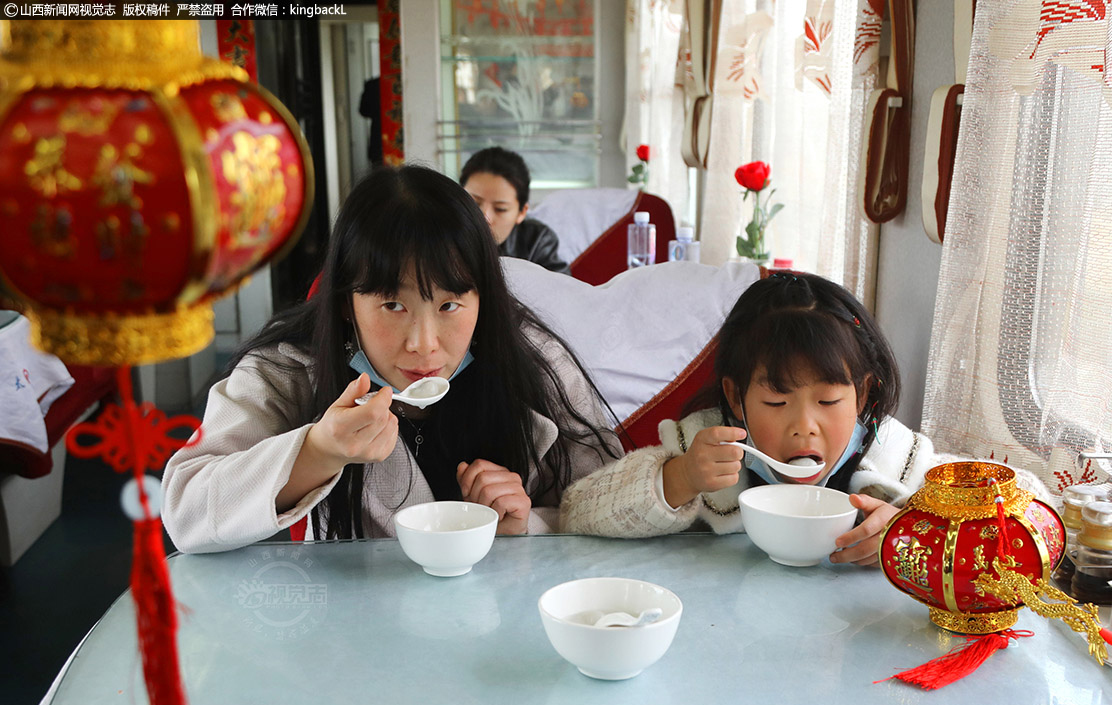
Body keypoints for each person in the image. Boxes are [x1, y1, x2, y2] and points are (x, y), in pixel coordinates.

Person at [162, 165, 620, 553]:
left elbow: (610, 502)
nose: (424, 345)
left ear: (484, 299)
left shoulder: (534, 362)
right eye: (393, 306)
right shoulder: (286, 372)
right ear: (346, 302)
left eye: (449, 306)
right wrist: (316, 453)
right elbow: (187, 515)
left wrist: (525, 527)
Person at [559, 271, 1052, 565]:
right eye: (776, 403)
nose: (804, 425)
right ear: (735, 397)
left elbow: (1038, 509)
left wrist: (918, 528)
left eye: (829, 401)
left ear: (863, 395)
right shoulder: (703, 451)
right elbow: (577, 511)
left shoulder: (893, 459)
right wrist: (678, 478)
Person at [459, 146, 568, 274]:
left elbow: (565, 291)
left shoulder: (537, 241)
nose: (484, 217)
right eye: (474, 203)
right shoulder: (440, 234)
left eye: (500, 209)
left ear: (522, 212)